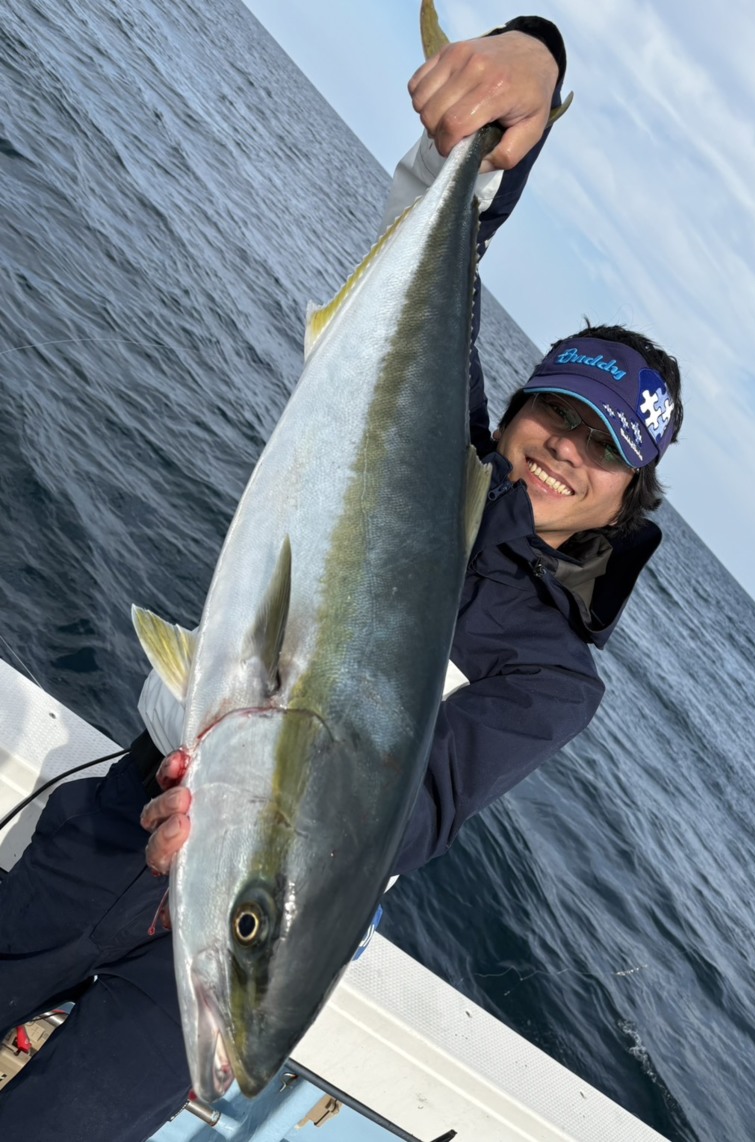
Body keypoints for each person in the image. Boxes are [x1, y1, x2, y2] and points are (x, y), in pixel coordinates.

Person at [0, 17, 683, 1142]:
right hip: (139, 816)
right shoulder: (435, 446)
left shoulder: (554, 669)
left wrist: (239, 810)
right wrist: (534, 61)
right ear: (512, 409)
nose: (565, 448)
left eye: (601, 446)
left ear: (626, 493)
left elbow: (416, 807)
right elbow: (438, 246)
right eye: (556, 414)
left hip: (267, 904)